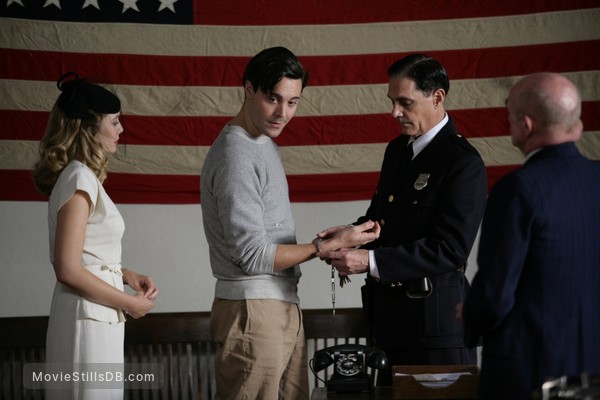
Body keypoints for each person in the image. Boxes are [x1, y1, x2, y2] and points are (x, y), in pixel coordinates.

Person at [200, 46, 380, 400]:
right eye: (273, 99)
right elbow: (252, 256)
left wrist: (333, 241)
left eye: (293, 102)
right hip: (253, 311)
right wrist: (321, 248)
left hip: (280, 305)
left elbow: (269, 235)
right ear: (248, 88)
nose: (283, 113)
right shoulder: (236, 155)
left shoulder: (262, 143)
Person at [317, 54, 488, 385]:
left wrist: (369, 260)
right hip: (390, 323)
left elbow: (450, 249)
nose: (394, 112)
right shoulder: (397, 151)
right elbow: (384, 220)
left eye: (404, 102)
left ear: (437, 97)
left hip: (436, 329)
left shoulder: (462, 163)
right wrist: (352, 235)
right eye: (392, 101)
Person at [459, 72, 600, 399]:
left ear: (525, 126)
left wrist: (469, 314)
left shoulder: (516, 190)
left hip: (530, 375)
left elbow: (495, 295)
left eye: (509, 118)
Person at [33, 72, 159, 400]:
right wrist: (130, 304)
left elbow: (87, 255)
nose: (121, 130)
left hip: (95, 315)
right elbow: (68, 268)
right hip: (86, 320)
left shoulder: (83, 177)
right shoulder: (78, 179)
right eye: (115, 122)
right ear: (90, 128)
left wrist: (126, 274)